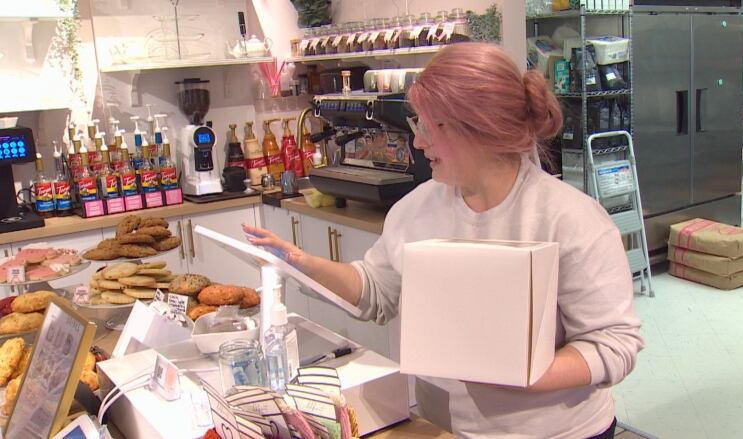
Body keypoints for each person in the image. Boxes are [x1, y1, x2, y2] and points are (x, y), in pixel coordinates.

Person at [243, 42, 643, 439]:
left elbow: (615, 344)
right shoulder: (416, 209)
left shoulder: (570, 219)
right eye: (418, 124)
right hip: (442, 427)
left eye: (433, 126)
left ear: (482, 128)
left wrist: (523, 375)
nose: (417, 142)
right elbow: (376, 290)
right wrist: (301, 261)